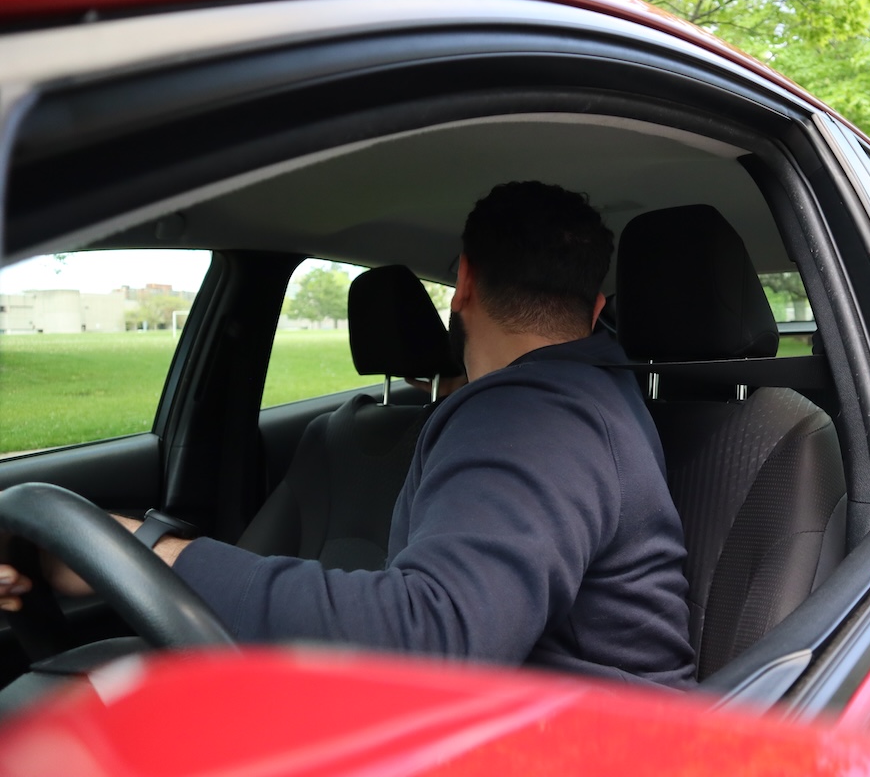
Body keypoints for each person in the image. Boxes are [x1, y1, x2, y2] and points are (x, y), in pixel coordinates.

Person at [0, 182, 696, 689]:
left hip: (591, 743)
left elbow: (435, 637)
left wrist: (147, 548)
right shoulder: (587, 396)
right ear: (597, 307)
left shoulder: (534, 416)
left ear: (462, 282)